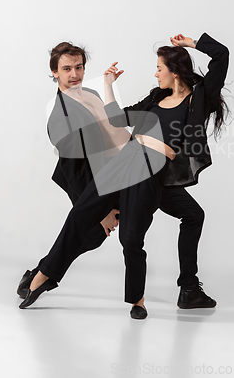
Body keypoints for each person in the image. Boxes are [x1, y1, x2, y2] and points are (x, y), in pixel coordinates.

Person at [18, 39, 220, 316]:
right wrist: (110, 84)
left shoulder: (196, 99)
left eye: (159, 67)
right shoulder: (154, 99)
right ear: (55, 72)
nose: (155, 72)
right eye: (67, 68)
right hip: (127, 160)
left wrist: (192, 43)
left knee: (135, 236)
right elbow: (113, 122)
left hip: (153, 171)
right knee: (82, 216)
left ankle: (158, 296)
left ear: (174, 71)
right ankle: (42, 277)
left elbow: (222, 56)